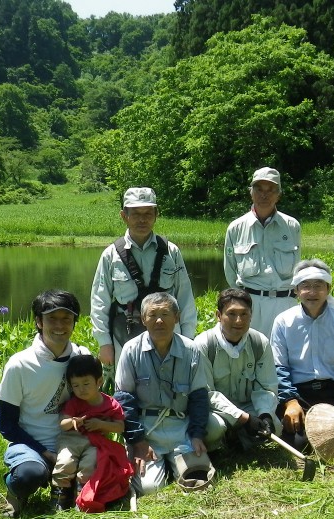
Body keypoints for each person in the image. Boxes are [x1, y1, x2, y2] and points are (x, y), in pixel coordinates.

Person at [0, 290, 88, 516]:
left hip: (71, 443)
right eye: (52, 319)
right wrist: (45, 453)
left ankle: (65, 486)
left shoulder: (82, 356)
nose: (60, 326)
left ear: (75, 322)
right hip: (31, 446)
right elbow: (7, 425)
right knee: (29, 475)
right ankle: (14, 490)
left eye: (66, 319)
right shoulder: (19, 364)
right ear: (38, 321)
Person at [114, 292, 214, 495]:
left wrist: (196, 434)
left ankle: (178, 462)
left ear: (176, 318)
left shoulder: (191, 349)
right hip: (147, 430)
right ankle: (161, 465)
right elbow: (124, 400)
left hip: (181, 427)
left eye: (165, 314)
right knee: (149, 489)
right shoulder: (130, 350)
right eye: (152, 315)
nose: (159, 320)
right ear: (143, 319)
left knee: (198, 482)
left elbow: (198, 396)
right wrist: (137, 441)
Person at [90, 187, 197, 371]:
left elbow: (185, 296)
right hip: (125, 333)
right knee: (127, 392)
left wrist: (188, 339)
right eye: (136, 213)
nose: (142, 219)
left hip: (169, 334)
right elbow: (100, 300)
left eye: (148, 213)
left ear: (156, 214)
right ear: (124, 216)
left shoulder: (172, 252)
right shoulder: (111, 255)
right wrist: (104, 343)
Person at [271, 259, 334, 448]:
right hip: (300, 393)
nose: (312, 292)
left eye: (318, 286)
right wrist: (290, 401)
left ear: (328, 288)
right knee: (299, 442)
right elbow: (280, 367)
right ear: (296, 290)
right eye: (306, 286)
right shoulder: (283, 321)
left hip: (333, 391)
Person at [194, 289, 279, 451]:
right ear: (218, 315)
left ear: (251, 315)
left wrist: (265, 414)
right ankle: (230, 439)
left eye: (244, 314)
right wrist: (244, 419)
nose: (238, 321)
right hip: (215, 411)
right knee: (213, 429)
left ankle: (236, 438)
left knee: (276, 426)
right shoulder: (203, 344)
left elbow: (266, 386)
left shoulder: (260, 342)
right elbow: (206, 393)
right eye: (231, 314)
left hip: (248, 406)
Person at [224, 167, 302, 337]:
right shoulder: (235, 228)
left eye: (270, 190)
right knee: (252, 356)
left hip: (285, 304)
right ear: (251, 192)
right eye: (259, 189)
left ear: (278, 194)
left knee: (284, 359)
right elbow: (230, 272)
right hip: (251, 305)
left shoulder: (292, 226)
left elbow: (298, 269)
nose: (264, 195)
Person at [54, 354, 133, 513]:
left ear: (99, 381)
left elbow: (120, 426)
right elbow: (62, 424)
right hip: (71, 440)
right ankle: (59, 499)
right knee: (64, 463)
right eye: (75, 386)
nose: (81, 389)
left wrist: (101, 424)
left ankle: (82, 498)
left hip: (94, 442)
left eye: (86, 383)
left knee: (89, 467)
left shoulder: (110, 403)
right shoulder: (74, 403)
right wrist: (73, 421)